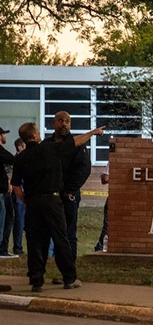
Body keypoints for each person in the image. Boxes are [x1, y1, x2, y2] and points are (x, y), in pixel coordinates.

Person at [11, 122, 104, 292]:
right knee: (61, 239)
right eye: (38, 132)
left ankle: (37, 281)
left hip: (33, 203)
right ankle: (69, 278)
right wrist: (92, 133)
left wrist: (26, 200)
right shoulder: (50, 149)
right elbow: (76, 141)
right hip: (52, 201)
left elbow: (16, 186)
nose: (40, 134)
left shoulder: (21, 158)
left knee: (35, 242)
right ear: (34, 136)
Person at [43, 111, 92, 264]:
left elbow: (83, 169)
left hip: (68, 195)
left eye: (67, 121)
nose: (64, 123)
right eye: (60, 120)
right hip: (49, 196)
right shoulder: (46, 145)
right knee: (47, 232)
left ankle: (69, 271)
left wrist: (70, 190)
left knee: (68, 232)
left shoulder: (77, 144)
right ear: (54, 123)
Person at [0, 126, 16, 258]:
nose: (5, 137)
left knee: (9, 217)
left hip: (5, 191)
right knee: (2, 219)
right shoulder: (1, 151)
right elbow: (12, 159)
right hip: (1, 192)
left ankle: (3, 247)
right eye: (3, 134)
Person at [11, 138, 26, 255]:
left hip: (24, 192)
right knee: (19, 221)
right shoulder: (17, 160)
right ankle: (18, 247)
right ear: (20, 147)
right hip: (19, 193)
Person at [94, 162, 109, 252]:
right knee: (108, 225)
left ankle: (100, 246)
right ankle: (100, 246)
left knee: (108, 225)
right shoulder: (113, 162)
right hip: (113, 198)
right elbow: (105, 179)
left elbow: (105, 178)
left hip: (114, 198)